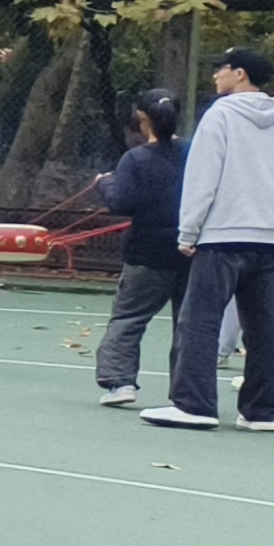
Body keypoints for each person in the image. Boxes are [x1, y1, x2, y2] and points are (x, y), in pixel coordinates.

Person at [149, 46, 274, 430]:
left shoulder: (220, 116)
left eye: (220, 68)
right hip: (271, 241)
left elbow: (202, 178)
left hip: (222, 237)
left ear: (239, 73)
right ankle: (260, 412)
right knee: (264, 327)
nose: (215, 75)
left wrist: (188, 230)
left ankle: (194, 406)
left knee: (199, 321)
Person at [89, 90, 185, 407]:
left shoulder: (135, 158)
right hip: (193, 249)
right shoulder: (196, 152)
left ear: (142, 117)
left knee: (128, 317)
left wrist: (105, 183)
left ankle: (120, 382)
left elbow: (122, 202)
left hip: (147, 252)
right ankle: (187, 392)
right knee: (189, 323)